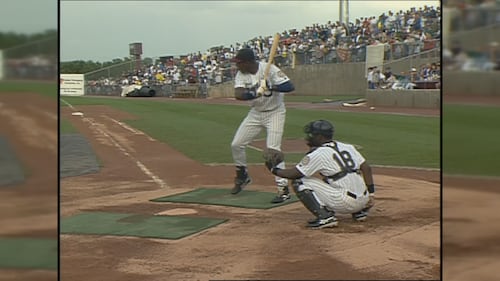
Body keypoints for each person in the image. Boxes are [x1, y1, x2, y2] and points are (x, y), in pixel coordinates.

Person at [265, 120, 375, 228]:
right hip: (364, 201)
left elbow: (295, 174)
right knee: (333, 177)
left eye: (311, 134)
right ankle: (359, 212)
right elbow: (366, 168)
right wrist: (371, 194)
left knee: (300, 182)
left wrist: (274, 170)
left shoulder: (319, 153)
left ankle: (324, 217)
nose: (308, 137)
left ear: (320, 137)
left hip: (345, 202)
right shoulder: (348, 147)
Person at [230, 47, 295, 203]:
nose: (237, 66)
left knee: (273, 150)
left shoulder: (269, 69)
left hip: (275, 112)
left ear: (248, 62)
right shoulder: (241, 74)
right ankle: (242, 175)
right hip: (256, 113)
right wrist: (254, 93)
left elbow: (290, 86)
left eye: (239, 63)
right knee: (236, 144)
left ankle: (283, 189)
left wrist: (270, 86)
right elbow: (238, 95)